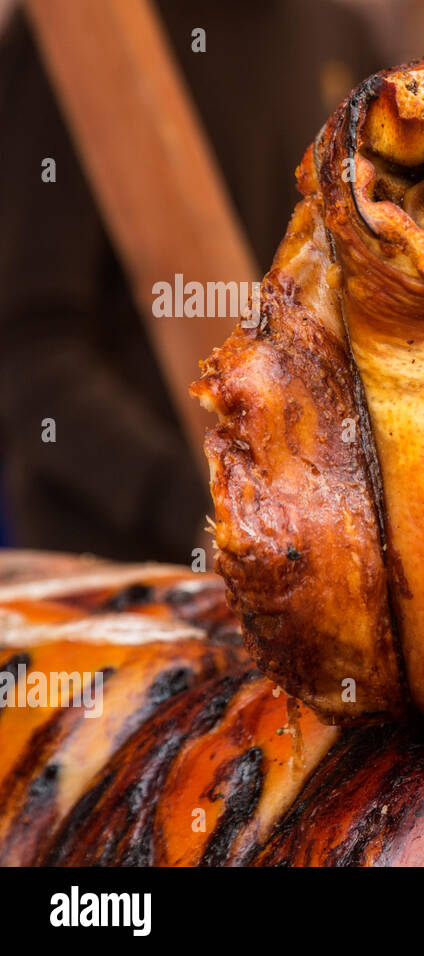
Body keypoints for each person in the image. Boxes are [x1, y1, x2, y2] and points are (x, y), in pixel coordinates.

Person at [0, 0, 382, 561]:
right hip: (124, 584)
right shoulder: (82, 31)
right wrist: (195, 504)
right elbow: (30, 352)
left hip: (304, 558)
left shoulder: (343, 36)